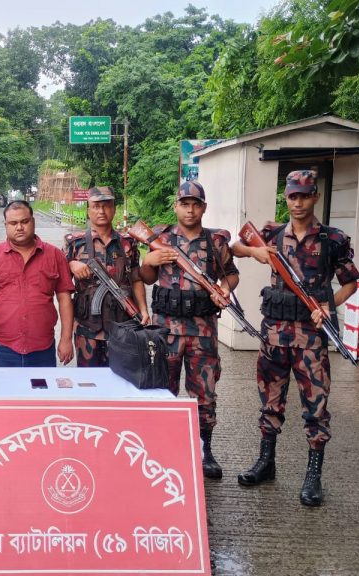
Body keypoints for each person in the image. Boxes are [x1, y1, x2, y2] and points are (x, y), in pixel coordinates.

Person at [232, 169, 359, 506]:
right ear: (286, 198)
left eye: (305, 195)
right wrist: (255, 253)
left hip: (311, 341)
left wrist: (327, 305)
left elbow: (350, 283)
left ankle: (313, 476)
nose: (298, 202)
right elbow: (234, 246)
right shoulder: (272, 234)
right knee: (270, 403)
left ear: (315, 196)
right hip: (274, 336)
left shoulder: (333, 239)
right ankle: (266, 463)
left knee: (316, 410)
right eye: (292, 196)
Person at [138, 181, 239, 479]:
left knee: (204, 394)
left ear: (204, 208)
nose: (190, 209)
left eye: (196, 204)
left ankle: (204, 449)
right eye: (185, 203)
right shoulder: (162, 237)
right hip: (165, 329)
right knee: (162, 390)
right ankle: (161, 449)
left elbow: (231, 274)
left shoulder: (215, 242)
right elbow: (145, 277)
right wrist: (149, 260)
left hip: (203, 331)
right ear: (176, 206)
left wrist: (224, 289)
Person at [0, 200, 75, 367]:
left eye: (24, 221)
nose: (19, 227)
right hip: (2, 347)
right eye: (13, 223)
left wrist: (66, 340)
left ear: (33, 221)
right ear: (5, 225)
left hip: (42, 348)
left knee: (40, 393)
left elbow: (64, 299)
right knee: (2, 393)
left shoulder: (55, 255)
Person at [65, 186, 149, 366]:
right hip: (87, 329)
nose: (101, 211)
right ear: (88, 210)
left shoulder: (128, 243)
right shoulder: (74, 243)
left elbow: (136, 279)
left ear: (114, 209)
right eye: (95, 206)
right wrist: (71, 264)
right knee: (89, 384)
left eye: (106, 205)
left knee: (122, 383)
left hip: (123, 327)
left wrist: (143, 310)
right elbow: (61, 285)